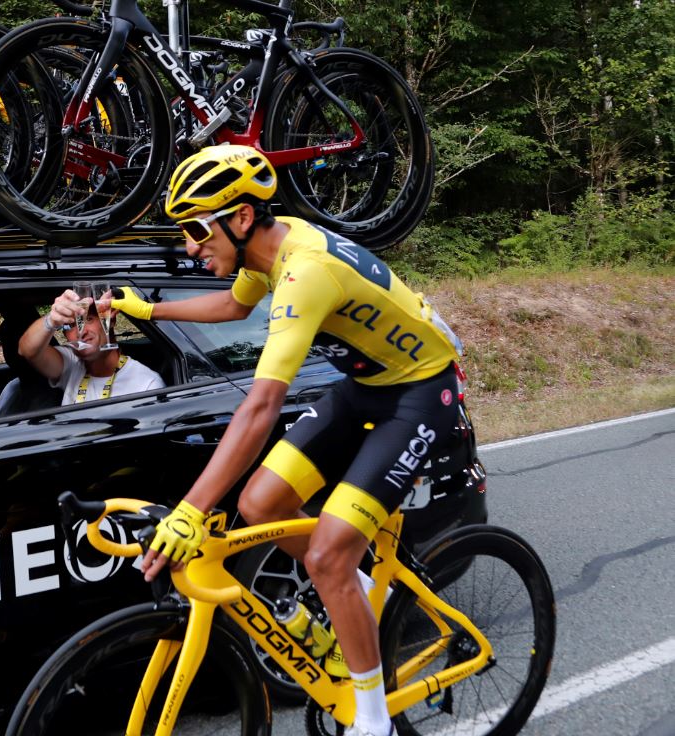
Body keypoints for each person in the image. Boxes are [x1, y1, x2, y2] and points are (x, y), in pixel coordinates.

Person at [112, 144, 463, 736]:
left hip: (420, 393)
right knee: (258, 502)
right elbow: (232, 303)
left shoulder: (304, 272)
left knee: (326, 553)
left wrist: (192, 510)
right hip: (364, 384)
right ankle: (351, 586)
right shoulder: (267, 248)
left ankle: (372, 719)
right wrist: (147, 309)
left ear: (242, 217)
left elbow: (262, 404)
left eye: (197, 229)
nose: (190, 246)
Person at [18, 289, 164, 405]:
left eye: (88, 319)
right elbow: (27, 350)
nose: (81, 332)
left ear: (110, 320)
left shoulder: (146, 384)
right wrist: (52, 319)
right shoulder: (72, 362)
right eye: (72, 325)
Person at [0, 306, 63, 416]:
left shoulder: (52, 400)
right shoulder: (11, 388)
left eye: (12, 344)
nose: (7, 352)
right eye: (3, 343)